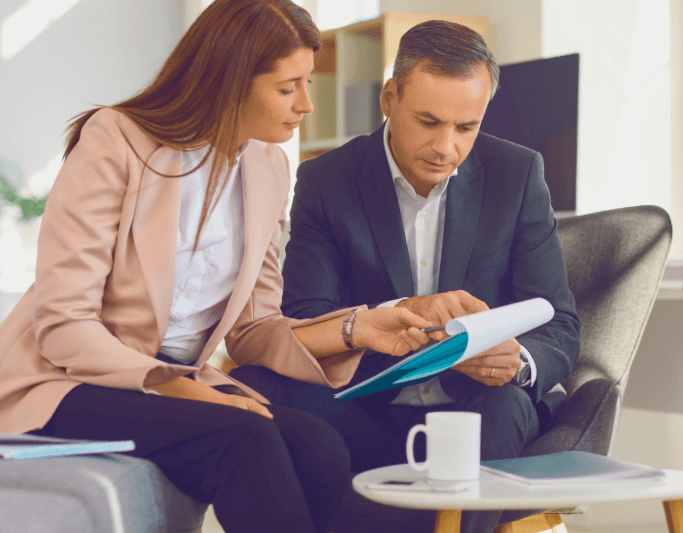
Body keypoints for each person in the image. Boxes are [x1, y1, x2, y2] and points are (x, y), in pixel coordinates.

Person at [0, 2, 435, 533]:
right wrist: (178, 387)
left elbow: (254, 330)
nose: (306, 105)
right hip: (64, 378)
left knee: (319, 443)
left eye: (307, 83)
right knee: (243, 439)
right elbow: (65, 326)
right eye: (287, 87)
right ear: (229, 80)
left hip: (176, 378)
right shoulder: (114, 140)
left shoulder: (269, 167)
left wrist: (357, 328)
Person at [229, 20, 581, 533]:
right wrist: (396, 321)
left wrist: (515, 360)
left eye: (466, 128)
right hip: (370, 406)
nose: (446, 147)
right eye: (429, 121)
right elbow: (304, 318)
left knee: (504, 404)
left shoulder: (517, 174)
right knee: (251, 387)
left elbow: (561, 324)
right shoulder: (327, 181)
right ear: (389, 98)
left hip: (481, 409)